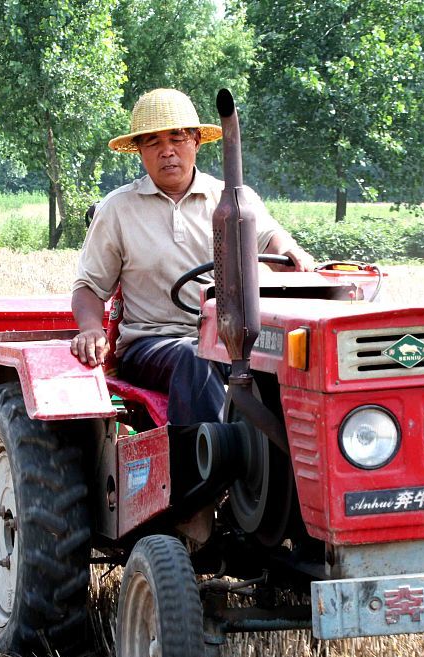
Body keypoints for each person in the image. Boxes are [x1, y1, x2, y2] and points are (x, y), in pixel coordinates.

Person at [70, 88, 314, 425]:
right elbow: (89, 287)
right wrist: (90, 329)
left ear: (196, 142)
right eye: (153, 142)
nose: (167, 151)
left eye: (177, 137)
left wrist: (291, 252)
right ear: (139, 151)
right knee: (194, 357)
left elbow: (271, 239)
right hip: (153, 344)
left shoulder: (230, 199)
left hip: (230, 338)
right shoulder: (119, 209)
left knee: (291, 357)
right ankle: (205, 465)